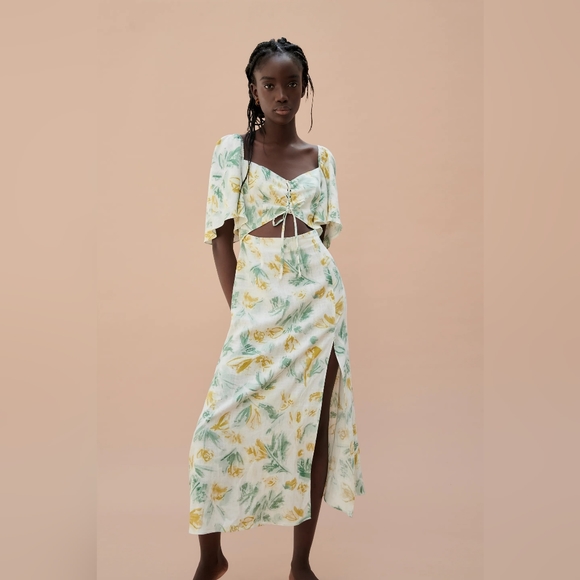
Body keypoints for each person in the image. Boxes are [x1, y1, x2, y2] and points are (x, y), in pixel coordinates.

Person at [188, 37, 365, 580]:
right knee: (213, 429)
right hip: (257, 301)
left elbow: (322, 241)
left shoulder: (321, 160)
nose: (281, 94)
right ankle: (211, 558)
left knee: (310, 428)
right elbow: (220, 236)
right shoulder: (231, 152)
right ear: (254, 90)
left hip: (317, 304)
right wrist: (241, 309)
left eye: (292, 84)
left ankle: (300, 564)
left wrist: (309, 292)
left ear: (304, 88)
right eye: (270, 85)